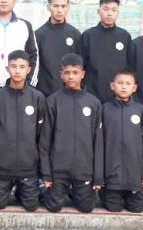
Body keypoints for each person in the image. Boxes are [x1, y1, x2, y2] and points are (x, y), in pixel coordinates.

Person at [40, 54, 103, 213]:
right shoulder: (53, 101)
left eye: (75, 72)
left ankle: (76, 191)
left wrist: (97, 176)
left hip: (83, 169)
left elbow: (98, 142)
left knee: (86, 208)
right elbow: (45, 140)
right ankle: (53, 191)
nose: (71, 76)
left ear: (82, 74)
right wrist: (47, 175)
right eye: (67, 72)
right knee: (54, 207)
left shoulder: (93, 103)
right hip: (59, 169)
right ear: (61, 74)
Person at [0, 50, 46, 211]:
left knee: (31, 206)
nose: (17, 70)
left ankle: (22, 189)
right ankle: (8, 187)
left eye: (22, 67)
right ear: (7, 69)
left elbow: (40, 132)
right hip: (3, 166)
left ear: (29, 69)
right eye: (13, 66)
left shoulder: (37, 97)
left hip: (28, 165)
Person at [99, 69, 143, 213]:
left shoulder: (140, 110)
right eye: (120, 83)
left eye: (128, 84)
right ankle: (109, 193)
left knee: (137, 208)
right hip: (111, 175)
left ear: (134, 88)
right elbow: (98, 144)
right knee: (113, 208)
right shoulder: (104, 109)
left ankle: (133, 193)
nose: (124, 87)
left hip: (134, 176)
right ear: (112, 86)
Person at [80, 0, 134, 103]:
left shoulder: (124, 36)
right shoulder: (88, 35)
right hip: (92, 94)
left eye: (114, 10)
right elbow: (82, 65)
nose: (109, 13)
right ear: (98, 11)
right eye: (105, 9)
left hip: (118, 98)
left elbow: (130, 66)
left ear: (118, 13)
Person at [34, 0, 81, 97]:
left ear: (68, 7)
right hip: (45, 94)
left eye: (63, 6)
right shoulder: (38, 35)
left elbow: (80, 64)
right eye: (56, 6)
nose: (59, 10)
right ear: (48, 7)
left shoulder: (75, 34)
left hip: (70, 93)